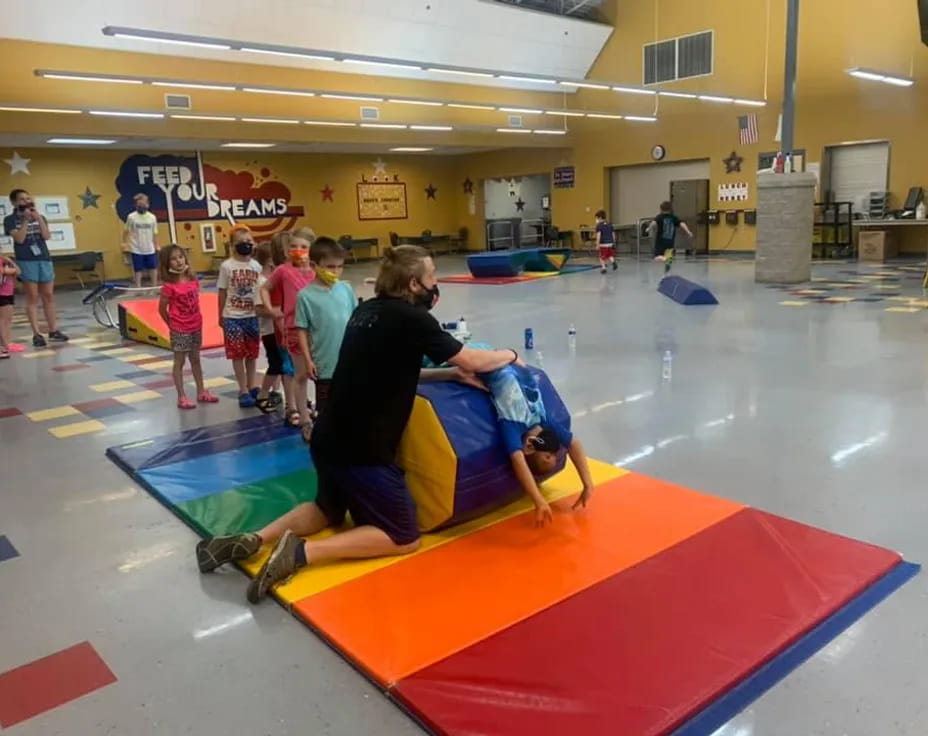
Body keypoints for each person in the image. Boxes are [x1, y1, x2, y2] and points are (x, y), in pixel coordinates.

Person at [196, 245, 527, 604]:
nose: (435, 283)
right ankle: (301, 554)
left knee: (329, 508)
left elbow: (392, 371)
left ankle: (255, 538)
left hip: (326, 435)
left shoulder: (366, 310)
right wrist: (510, 355)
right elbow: (473, 359)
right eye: (432, 277)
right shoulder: (413, 319)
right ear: (415, 284)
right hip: (364, 449)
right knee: (404, 536)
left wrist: (450, 374)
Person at [480, 362, 595, 524]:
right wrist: (587, 483)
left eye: (549, 456)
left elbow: (517, 460)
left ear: (528, 447)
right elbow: (573, 443)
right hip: (512, 363)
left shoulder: (512, 425)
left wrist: (538, 500)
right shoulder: (543, 420)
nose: (555, 454)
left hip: (488, 364)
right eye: (551, 456)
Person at [259, 228, 317, 435]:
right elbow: (264, 288)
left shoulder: (315, 271)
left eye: (303, 247)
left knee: (318, 372)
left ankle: (315, 408)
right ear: (287, 250)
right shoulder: (283, 270)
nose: (298, 250)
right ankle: (303, 416)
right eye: (293, 246)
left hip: (316, 328)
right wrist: (271, 310)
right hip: (293, 327)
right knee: (299, 373)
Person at [295, 237, 356, 417]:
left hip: (348, 360)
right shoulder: (305, 296)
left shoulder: (345, 289)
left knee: (350, 405)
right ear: (314, 266)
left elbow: (355, 320)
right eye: (330, 267)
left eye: (340, 266)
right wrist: (308, 360)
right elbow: (302, 330)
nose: (336, 272)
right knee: (327, 410)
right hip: (325, 363)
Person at [3, 189, 68, 347]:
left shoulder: (40, 217)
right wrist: (25, 221)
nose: (26, 201)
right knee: (32, 296)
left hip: (44, 259)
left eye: (28, 198)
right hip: (26, 260)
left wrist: (38, 218)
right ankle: (37, 333)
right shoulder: (10, 219)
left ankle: (53, 330)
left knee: (48, 295)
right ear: (14, 202)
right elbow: (19, 239)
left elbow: (46, 236)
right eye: (21, 199)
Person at [157, 245, 219, 410]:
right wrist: (172, 325)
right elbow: (162, 309)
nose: (179, 261)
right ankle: (181, 396)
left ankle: (201, 391)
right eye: (174, 258)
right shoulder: (169, 286)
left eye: (181, 257)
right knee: (180, 361)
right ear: (167, 263)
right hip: (180, 328)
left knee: (196, 358)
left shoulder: (193, 279)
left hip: (195, 324)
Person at [218, 225, 263, 407]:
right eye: (240, 243)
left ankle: (252, 385)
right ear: (232, 245)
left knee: (252, 354)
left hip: (252, 315)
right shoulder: (226, 266)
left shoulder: (256, 266)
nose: (245, 245)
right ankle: (242, 389)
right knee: (237, 354)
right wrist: (220, 314)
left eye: (248, 242)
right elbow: (222, 292)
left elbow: (262, 289)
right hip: (232, 316)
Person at [253, 240, 291, 414]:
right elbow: (259, 309)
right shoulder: (262, 282)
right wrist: (278, 311)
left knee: (285, 365)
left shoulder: (276, 279)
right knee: (276, 364)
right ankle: (262, 395)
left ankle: (282, 394)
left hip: (280, 329)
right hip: (269, 331)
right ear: (271, 261)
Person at [123, 193, 160, 288]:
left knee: (153, 268)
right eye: (139, 205)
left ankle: (154, 286)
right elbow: (126, 231)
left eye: (144, 204)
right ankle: (138, 287)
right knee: (138, 269)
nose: (142, 206)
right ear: (135, 205)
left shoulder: (152, 217)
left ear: (147, 204)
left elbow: (155, 233)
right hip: (136, 248)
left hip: (149, 247)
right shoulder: (131, 217)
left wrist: (157, 245)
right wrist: (124, 243)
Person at [649, 201, 693, 273]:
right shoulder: (674, 217)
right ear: (670, 209)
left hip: (661, 241)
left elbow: (653, 223)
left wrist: (648, 228)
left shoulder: (659, 217)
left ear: (661, 209)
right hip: (670, 241)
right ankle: (666, 273)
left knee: (657, 257)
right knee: (669, 258)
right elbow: (682, 224)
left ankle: (664, 259)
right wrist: (688, 232)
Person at [0, 254, 20, 359]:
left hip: (8, 293)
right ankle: (4, 345)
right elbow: (4, 272)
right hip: (1, 294)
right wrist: (11, 270)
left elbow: (18, 271)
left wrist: (11, 262)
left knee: (8, 319)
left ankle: (8, 342)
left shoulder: (5, 261)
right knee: (2, 320)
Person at [593, 209, 618, 274]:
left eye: (597, 218)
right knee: (609, 254)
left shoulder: (599, 226)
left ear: (600, 217)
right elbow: (613, 234)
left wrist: (597, 244)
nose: (596, 220)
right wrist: (614, 242)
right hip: (610, 243)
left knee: (601, 256)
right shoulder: (610, 224)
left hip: (603, 243)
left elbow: (599, 236)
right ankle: (613, 262)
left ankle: (603, 268)